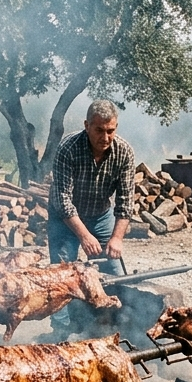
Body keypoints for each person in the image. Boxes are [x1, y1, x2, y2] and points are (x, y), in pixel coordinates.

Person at [48, 99, 137, 276]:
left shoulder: (125, 152)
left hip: (100, 215)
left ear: (116, 127)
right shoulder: (68, 148)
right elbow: (63, 200)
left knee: (114, 275)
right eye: (99, 130)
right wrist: (84, 236)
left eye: (110, 131)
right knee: (63, 275)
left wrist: (116, 238)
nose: (105, 138)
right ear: (87, 126)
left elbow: (126, 202)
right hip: (65, 220)